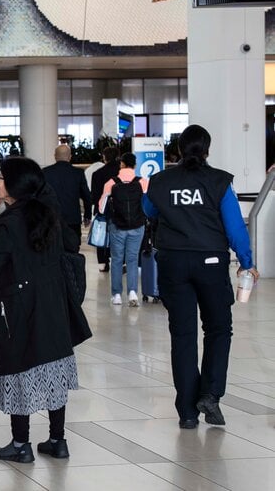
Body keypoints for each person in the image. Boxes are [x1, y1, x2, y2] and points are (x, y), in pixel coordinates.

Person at [0, 157, 79, 464]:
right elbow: (69, 247)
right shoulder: (47, 213)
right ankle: (57, 440)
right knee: (51, 367)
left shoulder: (11, 221)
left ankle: (21, 444)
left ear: (14, 186)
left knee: (20, 368)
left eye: (2, 178)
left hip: (18, 307)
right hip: (52, 304)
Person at [142, 124, 258, 429]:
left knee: (182, 336)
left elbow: (148, 209)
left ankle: (187, 413)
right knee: (218, 330)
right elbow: (234, 227)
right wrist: (247, 261)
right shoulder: (220, 182)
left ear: (179, 149)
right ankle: (210, 394)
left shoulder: (160, 180)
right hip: (210, 263)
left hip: (173, 262)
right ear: (207, 149)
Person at [99, 153, 149, 306]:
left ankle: (117, 295)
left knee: (117, 260)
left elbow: (101, 208)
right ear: (134, 165)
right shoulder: (143, 182)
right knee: (132, 258)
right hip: (137, 226)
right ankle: (133, 293)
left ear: (121, 164)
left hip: (117, 226)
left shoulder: (111, 182)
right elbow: (148, 206)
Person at [42, 144, 91, 239]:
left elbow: (40, 196)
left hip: (51, 219)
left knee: (52, 249)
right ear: (70, 157)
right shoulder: (78, 173)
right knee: (73, 249)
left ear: (55, 156)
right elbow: (86, 196)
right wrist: (87, 215)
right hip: (73, 219)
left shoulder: (45, 172)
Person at [90, 146, 120, 272]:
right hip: (120, 208)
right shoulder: (121, 172)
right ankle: (120, 261)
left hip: (103, 208)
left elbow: (94, 196)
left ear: (104, 157)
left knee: (102, 234)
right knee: (119, 235)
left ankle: (103, 262)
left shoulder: (97, 174)